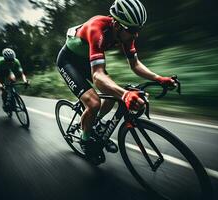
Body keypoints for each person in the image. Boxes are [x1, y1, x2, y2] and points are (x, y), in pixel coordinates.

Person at [56, 0, 176, 159]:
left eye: (138, 29)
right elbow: (98, 76)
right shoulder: (96, 28)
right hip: (68, 61)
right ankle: (85, 140)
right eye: (133, 30)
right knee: (93, 103)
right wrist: (126, 95)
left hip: (86, 60)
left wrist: (159, 78)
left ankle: (95, 125)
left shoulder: (126, 33)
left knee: (112, 93)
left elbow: (135, 65)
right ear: (117, 25)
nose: (136, 34)